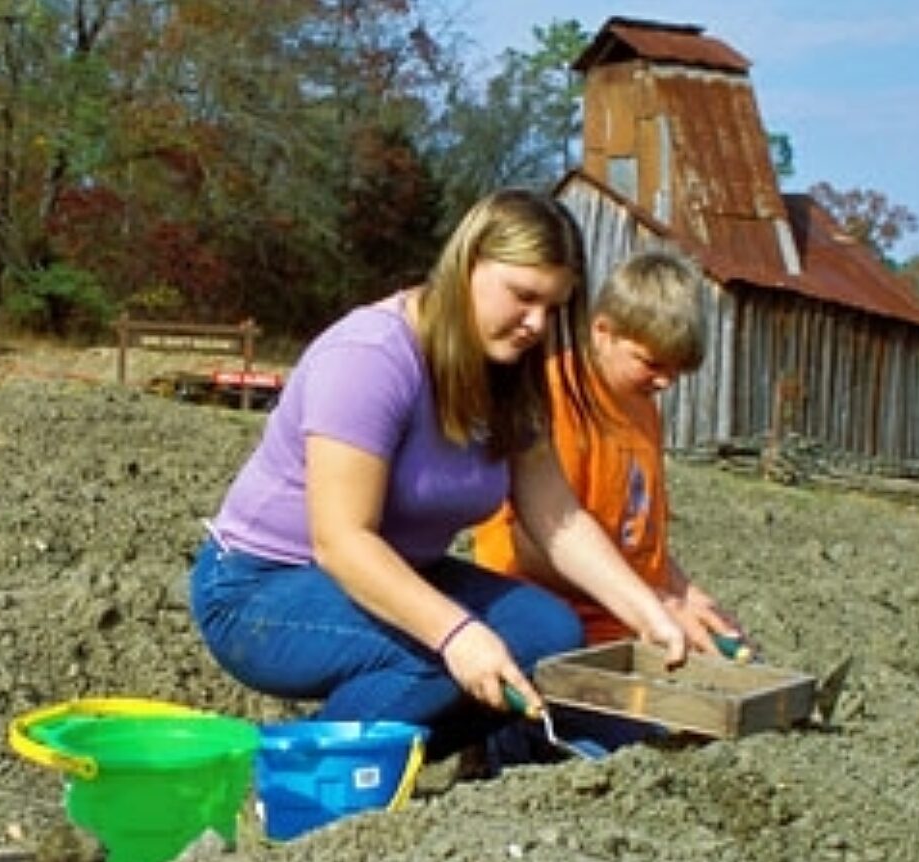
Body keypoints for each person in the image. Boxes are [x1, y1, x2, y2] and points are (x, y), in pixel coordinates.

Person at [188, 188, 687, 768]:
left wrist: (647, 612)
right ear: (467, 264)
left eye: (554, 307)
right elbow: (341, 540)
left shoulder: (512, 372)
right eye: (523, 297)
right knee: (439, 650)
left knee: (548, 634)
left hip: (395, 571)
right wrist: (456, 634)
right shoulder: (371, 356)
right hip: (260, 589)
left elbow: (557, 516)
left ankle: (384, 760)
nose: (536, 324)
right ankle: (301, 778)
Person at [472, 248, 745, 653]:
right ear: (603, 331)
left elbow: (637, 539)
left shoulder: (644, 411)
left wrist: (683, 590)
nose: (665, 382)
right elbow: (531, 547)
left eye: (676, 369)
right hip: (550, 621)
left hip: (627, 617)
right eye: (651, 363)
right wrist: (651, 602)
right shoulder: (554, 399)